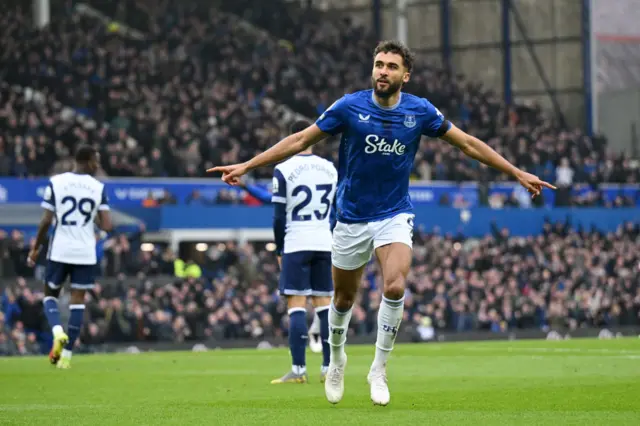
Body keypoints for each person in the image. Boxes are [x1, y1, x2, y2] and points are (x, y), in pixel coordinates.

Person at [207, 40, 555, 405]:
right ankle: (337, 358)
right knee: (342, 299)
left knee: (394, 286)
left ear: (406, 75)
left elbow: (466, 143)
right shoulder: (349, 106)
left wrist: (515, 171)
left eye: (391, 66)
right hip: (350, 216)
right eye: (378, 64)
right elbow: (299, 139)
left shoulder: (419, 111)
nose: (382, 71)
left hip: (394, 214)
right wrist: (247, 166)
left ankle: (378, 367)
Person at [27, 145, 113, 369]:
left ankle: (57, 331)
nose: (98, 165)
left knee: (50, 295)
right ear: (90, 161)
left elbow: (46, 220)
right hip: (85, 251)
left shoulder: (57, 182)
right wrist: (96, 228)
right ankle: (66, 357)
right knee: (78, 303)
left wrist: (36, 247)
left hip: (61, 248)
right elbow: (107, 225)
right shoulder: (97, 187)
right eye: (97, 161)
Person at [266, 119, 338, 384]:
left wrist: (279, 247)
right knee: (324, 306)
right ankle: (329, 368)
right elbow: (337, 211)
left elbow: (277, 217)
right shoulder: (330, 169)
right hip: (324, 241)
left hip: (296, 242)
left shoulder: (283, 169)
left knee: (296, 306)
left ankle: (298, 370)